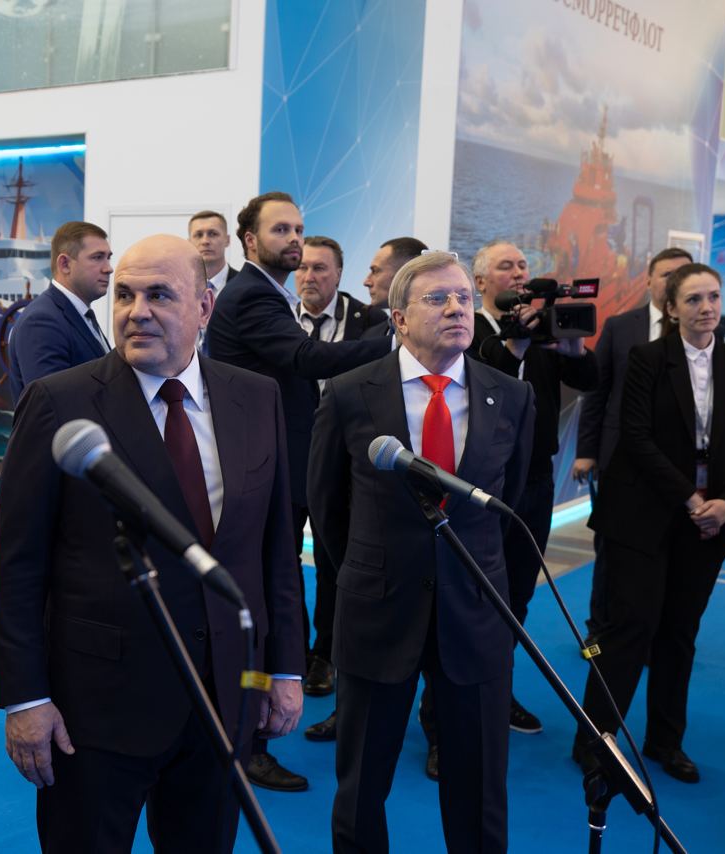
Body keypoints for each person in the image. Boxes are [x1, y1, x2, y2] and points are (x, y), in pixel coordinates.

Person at [0, 234, 304, 853]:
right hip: (98, 706)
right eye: (125, 295)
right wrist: (25, 697)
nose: (137, 311)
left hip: (225, 695)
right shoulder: (59, 402)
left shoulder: (255, 396)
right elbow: (18, 565)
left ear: (204, 306)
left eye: (160, 295)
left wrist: (285, 666)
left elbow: (274, 550)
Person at [308, 251, 533, 853]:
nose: (457, 308)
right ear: (400, 319)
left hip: (477, 615)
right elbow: (327, 507)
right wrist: (374, 569)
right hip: (378, 612)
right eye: (438, 299)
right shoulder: (351, 394)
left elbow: (510, 504)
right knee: (361, 790)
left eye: (463, 297)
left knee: (479, 793)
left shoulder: (511, 396)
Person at [206, 192, 390, 791]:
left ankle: (248, 729)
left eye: (299, 230)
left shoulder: (265, 292)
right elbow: (306, 358)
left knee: (272, 596)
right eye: (281, 229)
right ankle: (249, 741)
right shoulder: (253, 294)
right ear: (249, 240)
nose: (294, 240)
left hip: (274, 468)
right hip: (260, 472)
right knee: (261, 604)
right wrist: (394, 343)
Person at [573, 263, 725, 785]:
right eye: (693, 299)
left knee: (679, 634)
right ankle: (596, 740)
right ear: (671, 308)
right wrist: (692, 499)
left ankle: (666, 742)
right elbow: (637, 438)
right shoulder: (648, 359)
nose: (706, 308)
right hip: (641, 515)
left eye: (713, 297)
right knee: (627, 630)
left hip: (707, 524)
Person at [467, 240, 597, 734]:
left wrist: (574, 349)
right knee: (472, 593)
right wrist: (513, 347)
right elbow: (484, 389)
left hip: (536, 480)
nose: (520, 272)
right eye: (507, 266)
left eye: (523, 265)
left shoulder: (544, 328)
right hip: (483, 481)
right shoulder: (468, 329)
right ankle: (446, 703)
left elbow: (590, 379)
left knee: (518, 592)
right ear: (481, 281)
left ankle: (496, 688)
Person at [572, 247, 693, 644]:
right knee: (612, 549)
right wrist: (586, 451)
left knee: (669, 551)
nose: (674, 281)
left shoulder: (698, 334)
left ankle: (652, 632)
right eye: (667, 274)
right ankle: (599, 632)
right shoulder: (621, 326)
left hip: (678, 466)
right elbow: (597, 391)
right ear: (649, 280)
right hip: (620, 460)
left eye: (683, 274)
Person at [295, 235, 387, 695]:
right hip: (288, 460)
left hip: (344, 466)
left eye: (320, 268)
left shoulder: (370, 321)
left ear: (339, 274)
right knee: (282, 558)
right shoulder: (278, 319)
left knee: (335, 561)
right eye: (302, 267)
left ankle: (326, 653)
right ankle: (290, 649)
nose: (308, 276)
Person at [7, 220, 113, 405]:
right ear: (65, 264)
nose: (108, 268)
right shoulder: (41, 322)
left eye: (108, 257)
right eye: (97, 257)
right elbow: (51, 406)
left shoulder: (80, 314)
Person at [361, 236, 428, 328]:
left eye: (375, 271)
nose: (366, 282)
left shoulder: (442, 332)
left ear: (406, 273)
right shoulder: (370, 335)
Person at [188, 209, 239, 293]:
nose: (205, 241)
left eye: (213, 234)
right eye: (199, 235)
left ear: (227, 240)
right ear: (189, 242)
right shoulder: (178, 286)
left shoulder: (246, 284)